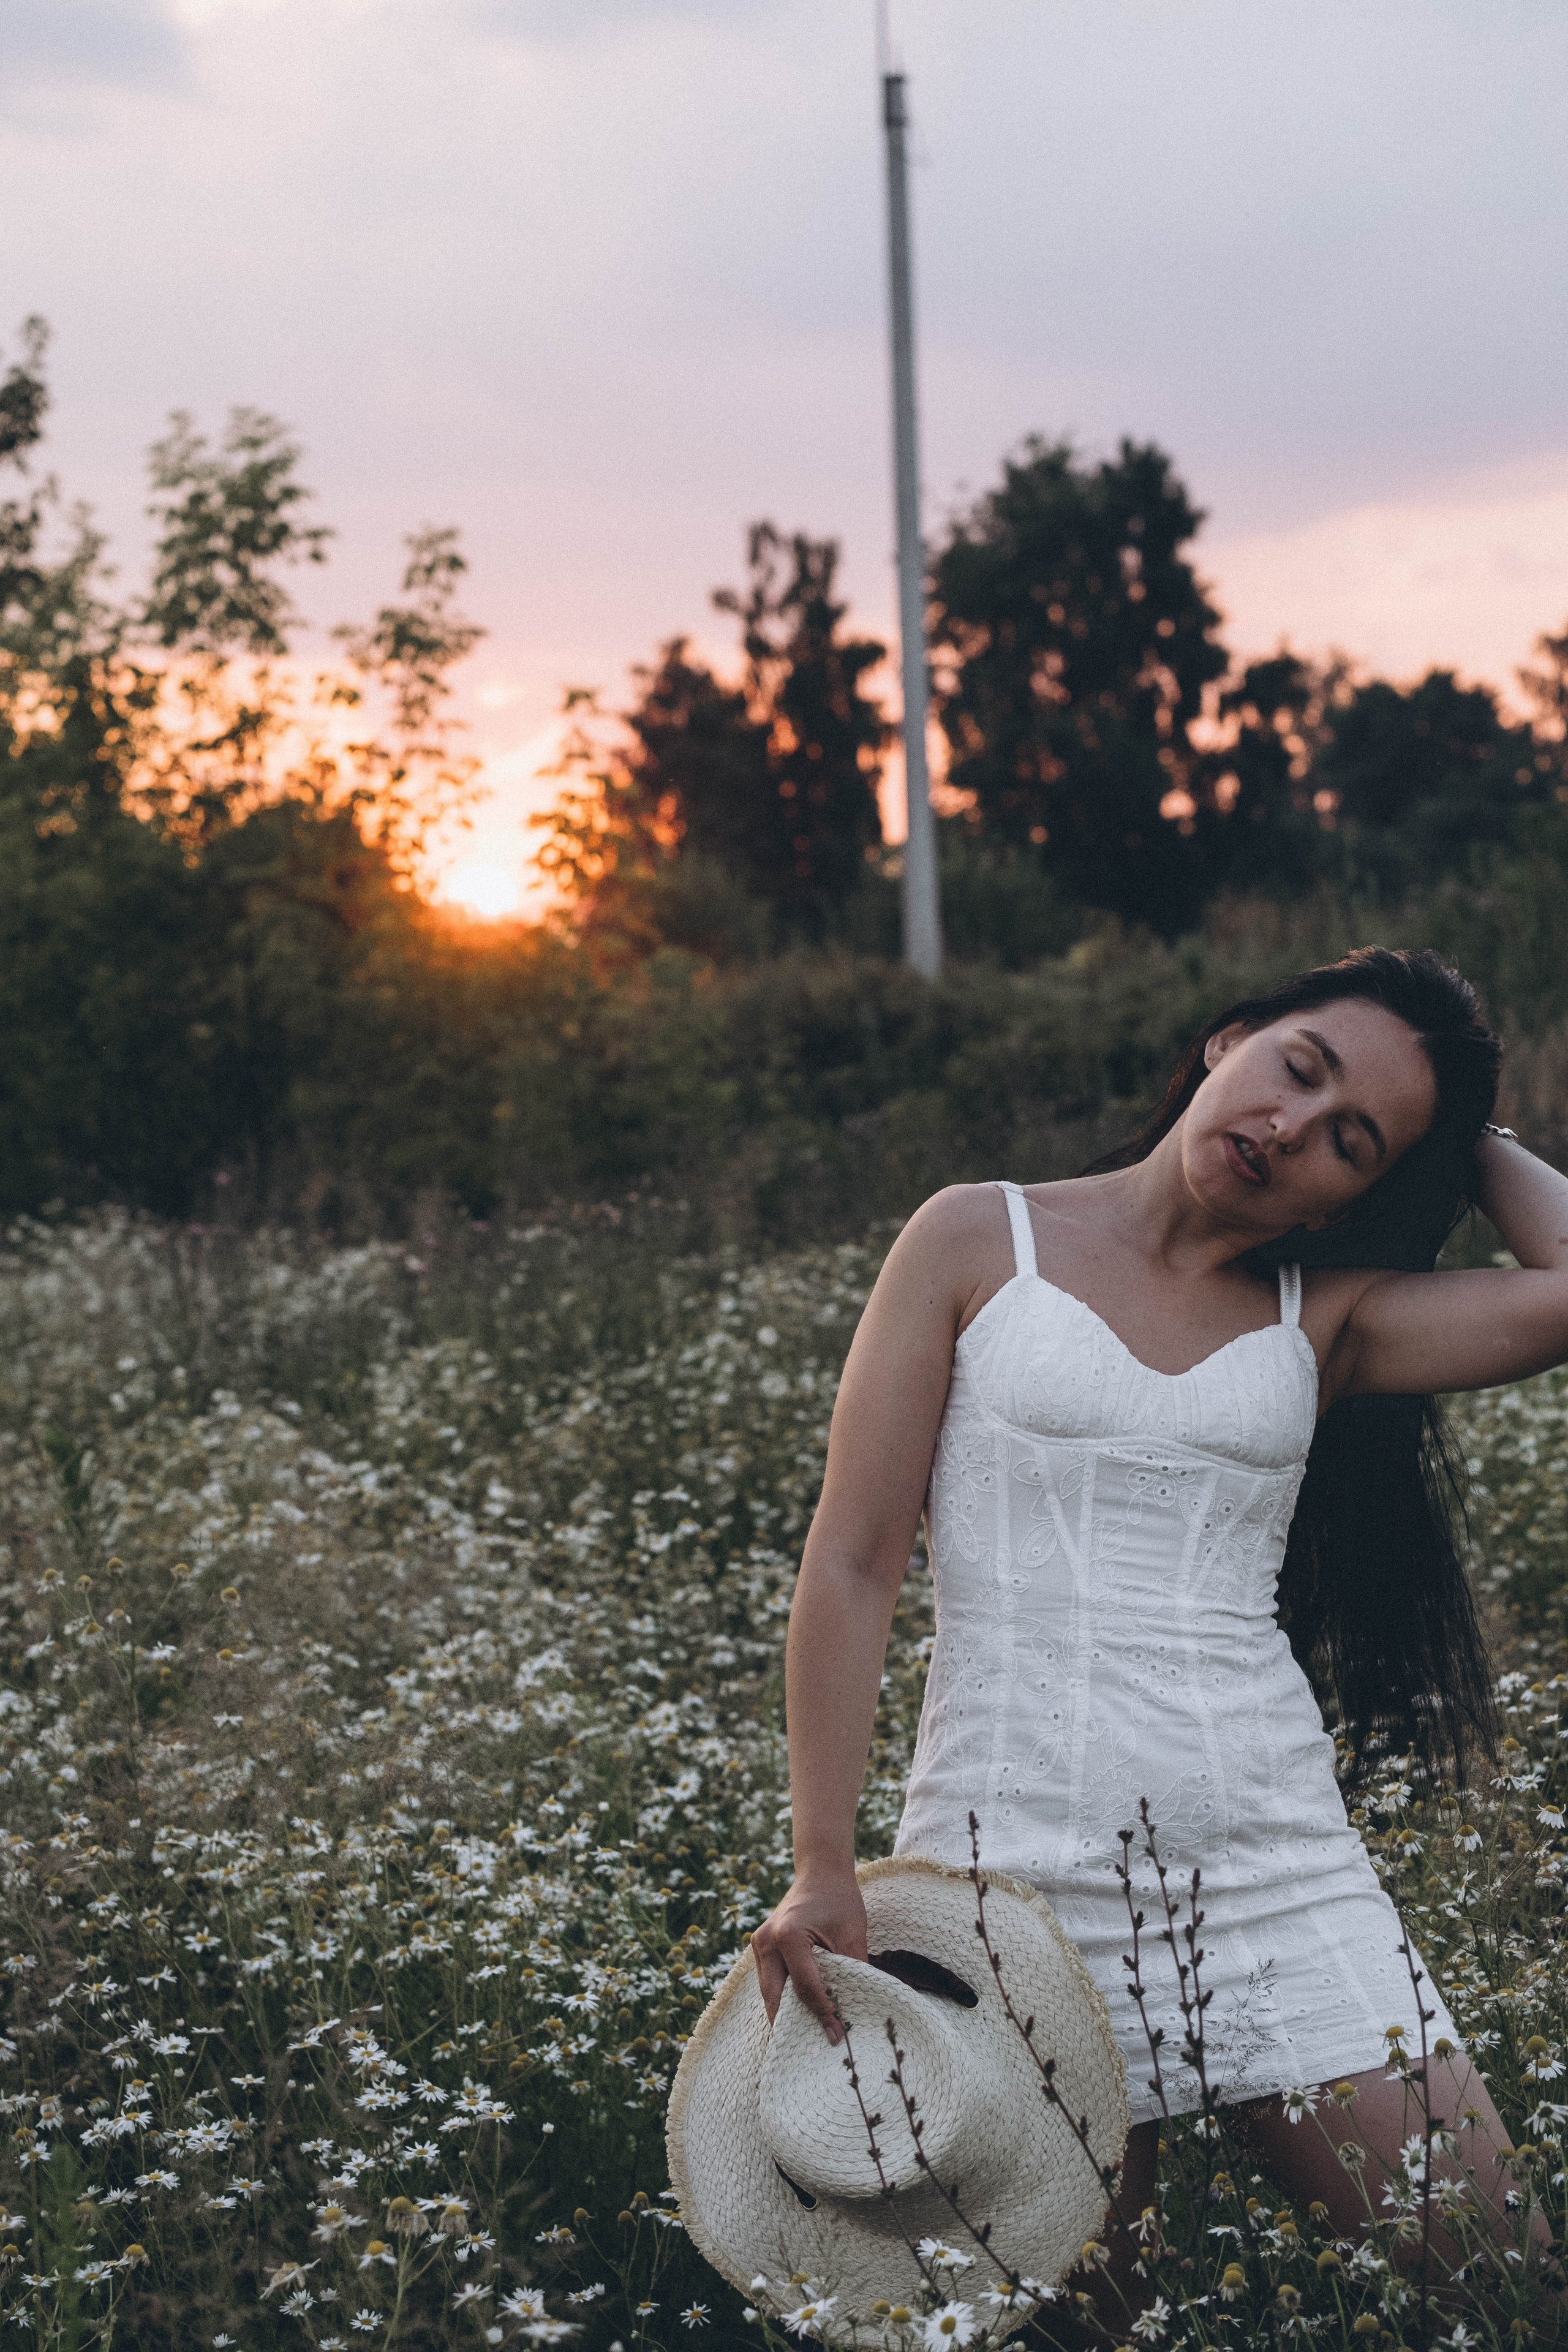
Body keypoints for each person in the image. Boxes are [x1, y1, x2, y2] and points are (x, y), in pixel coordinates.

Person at [751, 946, 1568, 2317]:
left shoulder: (1330, 1321)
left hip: (1276, 1874)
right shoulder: (972, 1236)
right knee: (1083, 2328)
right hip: (1003, 1886)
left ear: (1365, 1190)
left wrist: (1460, 1130)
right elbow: (848, 1561)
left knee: (1505, 2291)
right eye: (1296, 1069)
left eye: (1348, 1139)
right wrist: (820, 1864)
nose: (1290, 1128)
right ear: (1224, 1041)